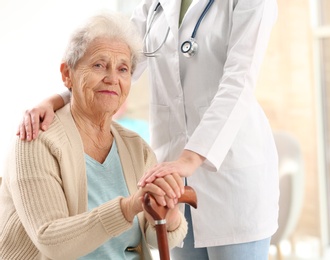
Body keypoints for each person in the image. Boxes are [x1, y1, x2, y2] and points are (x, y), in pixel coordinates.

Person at [17, 0, 280, 259]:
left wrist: (190, 159)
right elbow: (116, 67)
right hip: (172, 176)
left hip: (229, 171)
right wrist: (57, 100)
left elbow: (239, 82)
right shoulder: (154, 5)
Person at [1, 12, 188, 260]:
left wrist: (169, 214)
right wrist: (128, 206)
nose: (112, 79)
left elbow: (153, 237)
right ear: (67, 74)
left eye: (123, 69)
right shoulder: (36, 140)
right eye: (99, 65)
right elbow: (51, 241)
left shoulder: (137, 148)